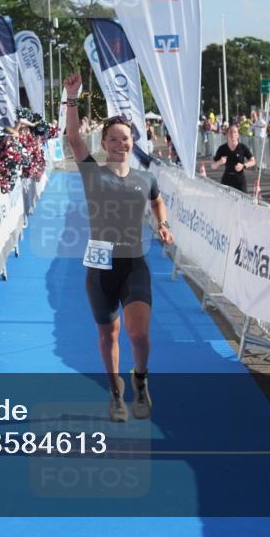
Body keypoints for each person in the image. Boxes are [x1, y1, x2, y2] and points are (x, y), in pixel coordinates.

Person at [63, 73, 173, 422]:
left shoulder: (145, 178)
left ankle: (140, 380)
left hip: (133, 264)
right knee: (108, 335)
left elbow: (157, 202)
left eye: (124, 138)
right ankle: (115, 391)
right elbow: (73, 138)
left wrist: (163, 224)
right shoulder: (93, 173)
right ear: (105, 143)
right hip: (100, 267)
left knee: (138, 335)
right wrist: (71, 97)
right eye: (113, 138)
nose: (119, 143)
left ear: (132, 141)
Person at [211, 124, 257, 193]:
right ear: (227, 134)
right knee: (225, 199)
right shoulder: (222, 148)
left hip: (240, 179)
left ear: (238, 135)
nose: (232, 134)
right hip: (227, 179)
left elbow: (253, 161)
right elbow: (213, 166)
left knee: (243, 199)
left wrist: (243, 166)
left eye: (235, 132)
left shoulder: (242, 147)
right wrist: (219, 162)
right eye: (230, 132)